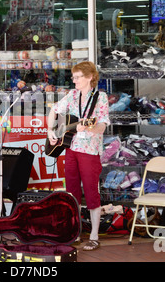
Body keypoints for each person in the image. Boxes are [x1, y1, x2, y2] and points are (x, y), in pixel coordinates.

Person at [47, 61, 110, 251]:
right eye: (73, 77)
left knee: (91, 191)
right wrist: (50, 130)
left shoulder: (101, 97)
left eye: (77, 77)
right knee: (71, 190)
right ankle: (75, 232)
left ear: (90, 77)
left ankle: (94, 235)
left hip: (90, 150)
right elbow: (54, 110)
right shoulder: (72, 95)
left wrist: (90, 126)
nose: (74, 81)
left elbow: (102, 125)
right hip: (71, 148)